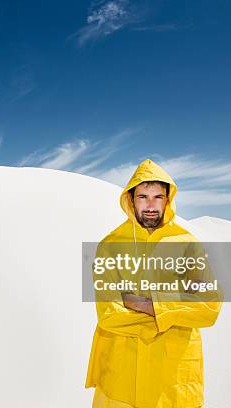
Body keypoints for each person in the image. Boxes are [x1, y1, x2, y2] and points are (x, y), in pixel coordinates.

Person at [85, 159, 223, 408]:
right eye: (143, 197)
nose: (150, 205)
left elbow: (209, 307)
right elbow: (109, 314)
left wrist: (147, 304)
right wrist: (172, 315)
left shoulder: (187, 243)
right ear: (131, 199)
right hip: (122, 377)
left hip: (172, 379)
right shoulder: (110, 245)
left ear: (167, 199)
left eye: (158, 197)